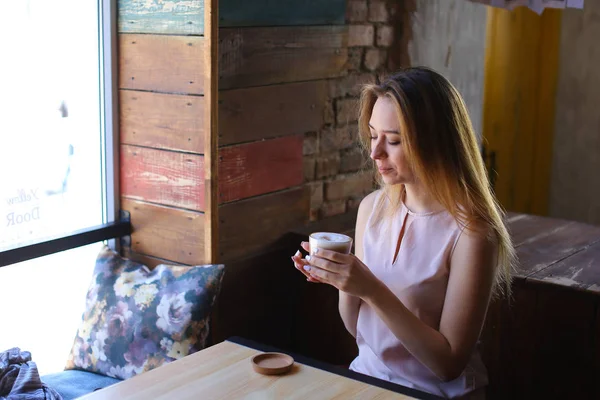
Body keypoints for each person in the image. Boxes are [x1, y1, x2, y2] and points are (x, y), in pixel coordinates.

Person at [291, 67, 515, 399]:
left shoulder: (472, 232)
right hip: (367, 380)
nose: (375, 152)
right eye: (373, 135)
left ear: (436, 142)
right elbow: (357, 329)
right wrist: (342, 279)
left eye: (394, 140)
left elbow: (448, 363)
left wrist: (371, 288)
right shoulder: (372, 209)